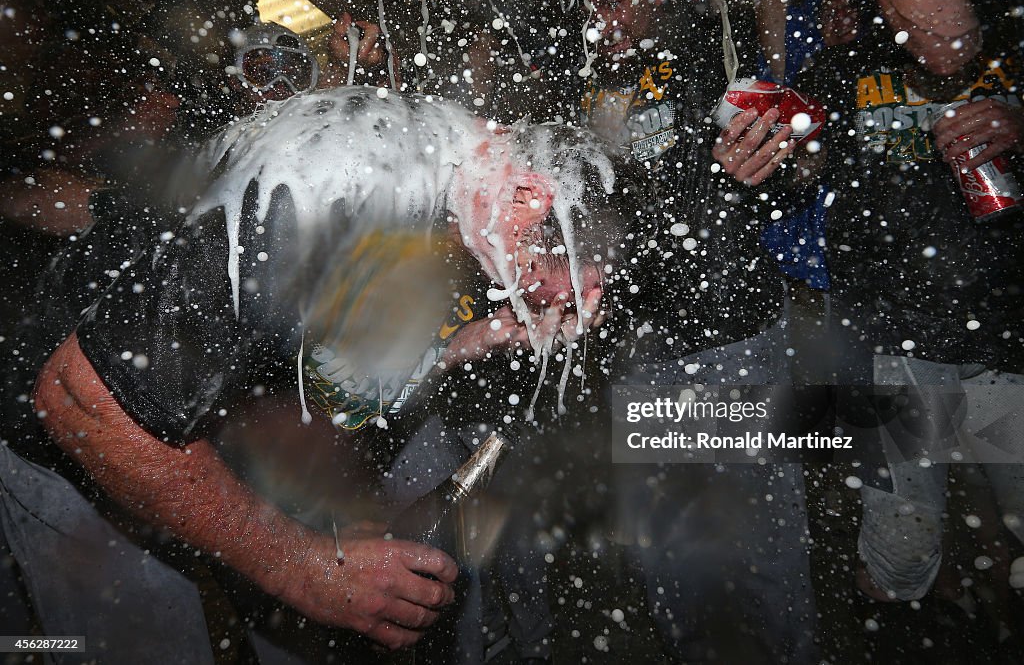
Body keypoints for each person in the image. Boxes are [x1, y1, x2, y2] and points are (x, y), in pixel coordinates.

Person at [29, 84, 636, 659]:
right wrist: (304, 566)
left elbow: (333, 380)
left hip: (187, 415)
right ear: (529, 197)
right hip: (91, 429)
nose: (515, 286)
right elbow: (81, 400)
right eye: (531, 268)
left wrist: (484, 337)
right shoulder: (324, 181)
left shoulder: (435, 174)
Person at [548, 0, 820, 661]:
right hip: (634, 344)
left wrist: (773, 160)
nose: (599, 10)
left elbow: (798, 161)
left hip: (729, 334)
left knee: (761, 539)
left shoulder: (708, 54)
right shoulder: (567, 80)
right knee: (669, 551)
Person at [798, 0, 1024, 608]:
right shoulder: (844, 64)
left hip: (1004, 336)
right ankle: (905, 615)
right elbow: (800, 177)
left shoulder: (1004, 18)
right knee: (900, 544)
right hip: (892, 337)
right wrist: (783, 154)